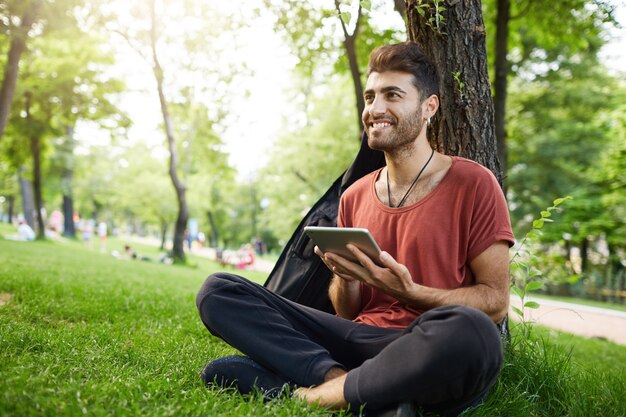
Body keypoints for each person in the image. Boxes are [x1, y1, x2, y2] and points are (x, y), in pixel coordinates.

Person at [195, 42, 515, 417]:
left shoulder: (473, 183)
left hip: (424, 343)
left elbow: (495, 303)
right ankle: (351, 386)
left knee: (473, 334)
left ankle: (308, 395)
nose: (375, 109)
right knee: (219, 291)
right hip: (356, 339)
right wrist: (343, 277)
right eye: (370, 96)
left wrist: (409, 292)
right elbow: (347, 315)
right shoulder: (355, 194)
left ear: (429, 107)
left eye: (392, 95)